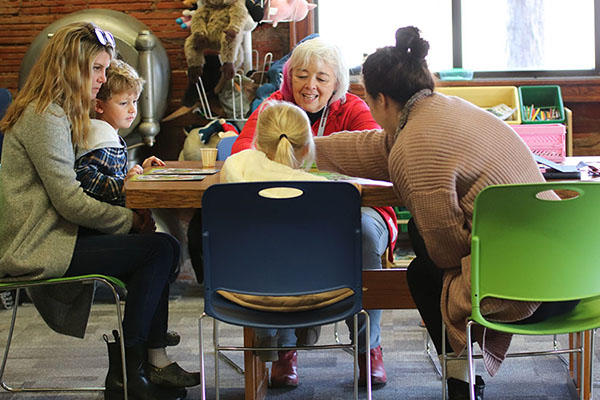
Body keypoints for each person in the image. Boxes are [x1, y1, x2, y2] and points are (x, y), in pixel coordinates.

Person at [313, 26, 580, 399]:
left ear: (382, 100)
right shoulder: (446, 109)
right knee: (428, 262)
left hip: (528, 289)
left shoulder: (415, 145)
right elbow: (374, 148)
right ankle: (463, 379)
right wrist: (307, 150)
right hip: (574, 273)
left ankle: (462, 383)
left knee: (424, 270)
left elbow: (446, 253)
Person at [0, 22, 198, 400]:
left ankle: (148, 363)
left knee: (160, 247)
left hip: (56, 234)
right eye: (96, 69)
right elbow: (70, 201)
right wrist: (128, 220)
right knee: (158, 249)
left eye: (105, 69)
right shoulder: (45, 116)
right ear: (69, 67)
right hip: (38, 245)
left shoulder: (55, 111)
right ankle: (133, 367)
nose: (102, 79)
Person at [227, 37, 398, 388]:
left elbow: (377, 155)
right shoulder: (273, 106)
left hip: (358, 211)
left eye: (322, 77)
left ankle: (370, 348)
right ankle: (285, 351)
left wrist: (303, 157)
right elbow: (244, 149)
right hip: (292, 213)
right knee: (282, 236)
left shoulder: (353, 108)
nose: (310, 85)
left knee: (364, 235)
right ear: (290, 79)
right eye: (302, 75)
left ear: (337, 82)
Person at [73, 58, 199, 389]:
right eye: (123, 102)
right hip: (88, 234)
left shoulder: (105, 134)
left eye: (135, 101)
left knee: (163, 248)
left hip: (96, 231)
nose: (132, 109)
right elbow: (86, 180)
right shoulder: (100, 135)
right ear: (99, 106)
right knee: (162, 250)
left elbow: (109, 174)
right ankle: (137, 358)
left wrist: (136, 169)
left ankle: (149, 355)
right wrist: (127, 183)